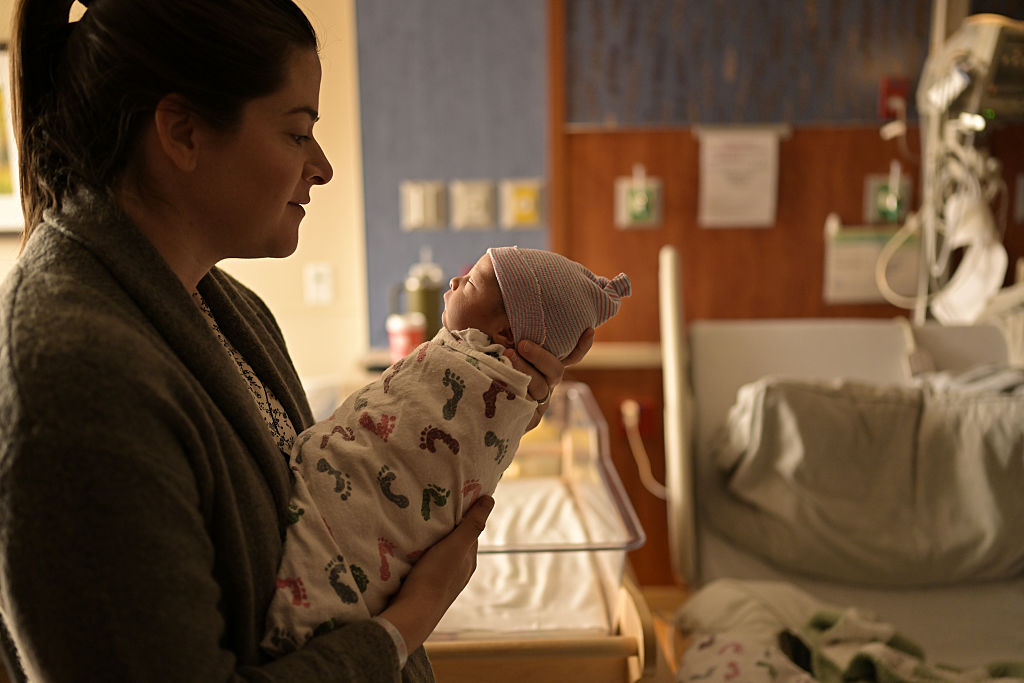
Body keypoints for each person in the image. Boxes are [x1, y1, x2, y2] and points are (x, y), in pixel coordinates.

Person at [0, 2, 591, 681]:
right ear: (182, 131)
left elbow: (326, 516)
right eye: (297, 132)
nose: (323, 166)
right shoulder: (72, 377)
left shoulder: (231, 313)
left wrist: (483, 401)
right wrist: (411, 618)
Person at [263, 247, 630, 655]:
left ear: (506, 334)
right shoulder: (467, 363)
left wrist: (518, 409)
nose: (454, 283)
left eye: (470, 282)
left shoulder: (480, 374)